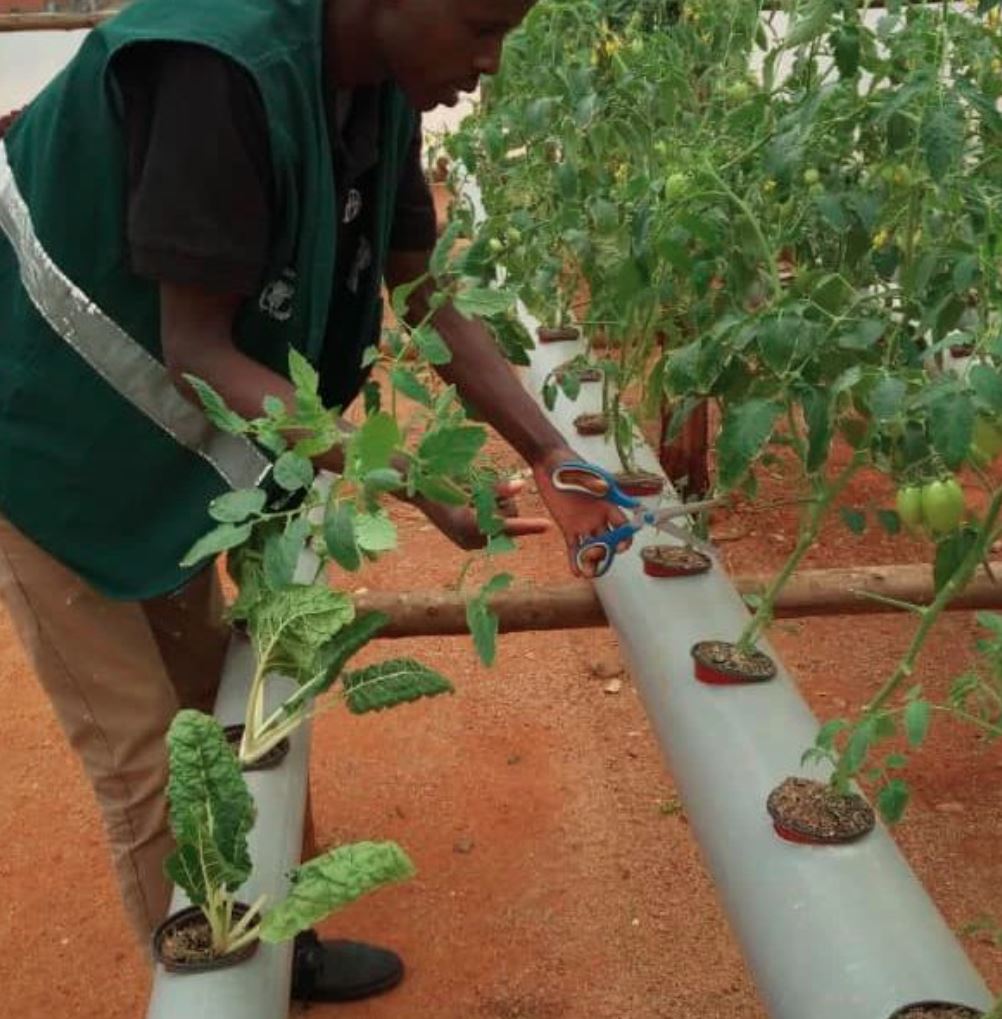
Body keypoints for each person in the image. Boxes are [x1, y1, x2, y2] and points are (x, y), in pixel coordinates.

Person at [0, 0, 627, 1004]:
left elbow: (422, 295)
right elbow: (196, 350)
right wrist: (410, 480)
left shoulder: (375, 83)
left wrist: (553, 453)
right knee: (152, 755)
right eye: (477, 26)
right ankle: (227, 986)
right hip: (38, 438)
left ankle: (285, 943)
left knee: (241, 707)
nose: (490, 62)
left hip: (160, 447)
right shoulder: (218, 71)